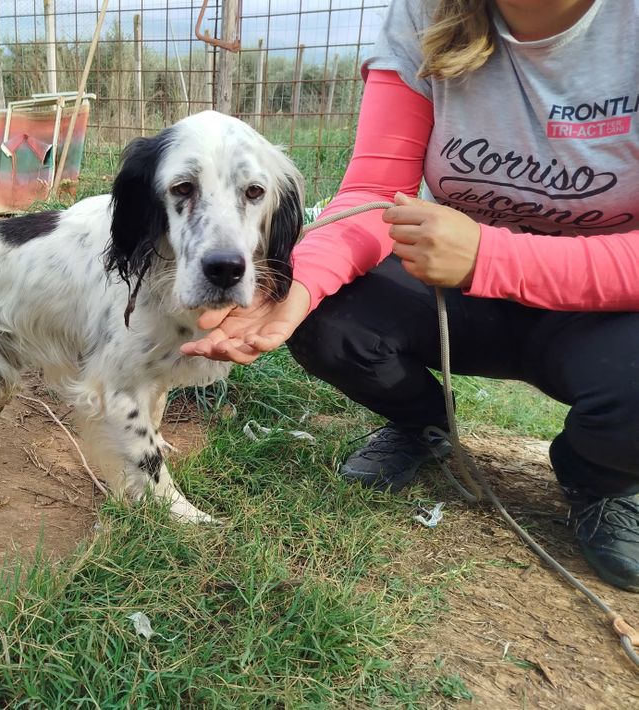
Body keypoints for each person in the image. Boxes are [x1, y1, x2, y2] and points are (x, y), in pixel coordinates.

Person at [181, 0, 639, 592]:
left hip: (604, 305)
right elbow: (374, 192)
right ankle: (423, 423)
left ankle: (598, 478)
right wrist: (300, 286)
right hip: (458, 285)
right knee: (327, 316)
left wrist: (492, 257)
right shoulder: (427, 11)